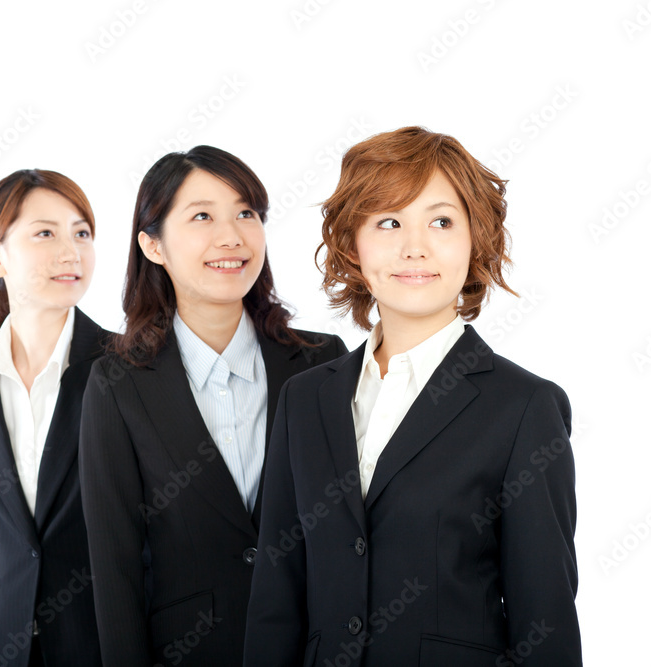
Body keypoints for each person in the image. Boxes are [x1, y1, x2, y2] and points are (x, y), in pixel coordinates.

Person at [244, 127, 582, 666]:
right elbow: (275, 597)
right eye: (389, 222)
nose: (414, 247)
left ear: (477, 240)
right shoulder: (305, 400)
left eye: (441, 221)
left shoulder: (524, 408)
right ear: (352, 245)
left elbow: (544, 620)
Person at [78, 145, 347, 666]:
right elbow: (115, 570)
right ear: (153, 246)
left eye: (247, 213)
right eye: (202, 216)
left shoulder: (323, 363)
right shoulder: (117, 385)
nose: (233, 236)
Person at [0, 169, 105, 667]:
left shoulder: (127, 369)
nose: (70, 251)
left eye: (82, 233)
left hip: (105, 637)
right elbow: (9, 538)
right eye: (45, 233)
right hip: (5, 640)